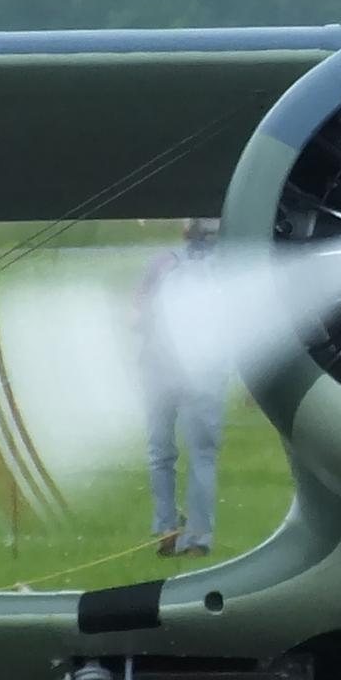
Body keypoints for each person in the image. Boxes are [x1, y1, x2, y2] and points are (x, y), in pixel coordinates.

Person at [137, 217, 227, 557]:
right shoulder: (227, 270)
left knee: (160, 455)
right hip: (204, 371)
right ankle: (199, 539)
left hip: (158, 367)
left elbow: (137, 314)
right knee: (202, 457)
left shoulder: (163, 262)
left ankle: (166, 530)